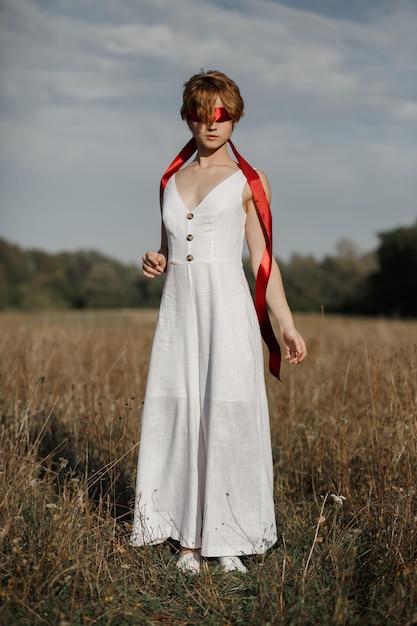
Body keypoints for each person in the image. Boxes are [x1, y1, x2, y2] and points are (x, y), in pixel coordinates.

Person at [130, 70, 306, 574]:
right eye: (202, 114)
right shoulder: (169, 178)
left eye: (223, 115)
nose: (213, 124)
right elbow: (167, 249)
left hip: (227, 309)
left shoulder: (251, 181)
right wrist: (154, 260)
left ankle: (226, 538)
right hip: (179, 313)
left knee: (227, 415)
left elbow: (263, 262)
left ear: (235, 117)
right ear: (188, 116)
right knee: (180, 412)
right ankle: (186, 540)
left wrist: (287, 326)